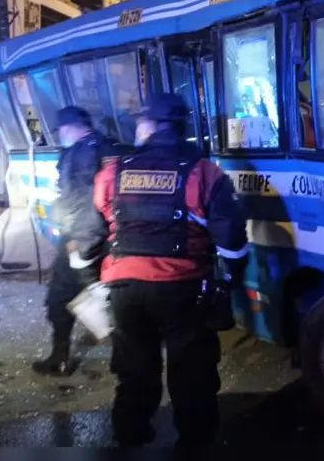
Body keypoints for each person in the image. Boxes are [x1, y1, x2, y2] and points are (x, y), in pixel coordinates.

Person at [74, 94, 248, 448]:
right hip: (183, 289)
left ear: (152, 126)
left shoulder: (112, 172)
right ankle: (195, 445)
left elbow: (89, 238)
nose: (137, 127)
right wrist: (230, 280)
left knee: (135, 373)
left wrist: (92, 281)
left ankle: (130, 438)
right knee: (192, 376)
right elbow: (231, 241)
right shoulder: (205, 172)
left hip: (124, 289)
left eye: (140, 121)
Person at [32, 106, 124, 377]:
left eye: (60, 130)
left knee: (61, 297)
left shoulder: (83, 152)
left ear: (71, 127)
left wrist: (80, 247)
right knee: (107, 295)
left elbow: (84, 202)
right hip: (111, 237)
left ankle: (60, 359)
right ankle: (124, 358)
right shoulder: (108, 147)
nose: (60, 136)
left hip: (84, 238)